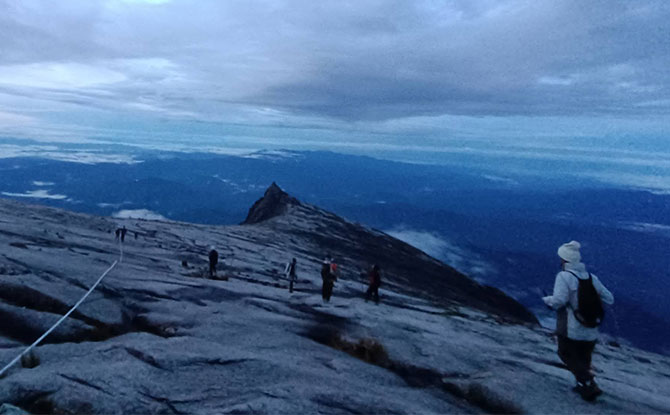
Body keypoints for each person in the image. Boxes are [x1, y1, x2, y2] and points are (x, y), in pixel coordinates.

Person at [542, 241, 614, 401]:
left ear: (565, 260)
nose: (560, 260)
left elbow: (559, 301)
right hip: (591, 329)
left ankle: (588, 384)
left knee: (565, 354)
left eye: (561, 258)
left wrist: (547, 300)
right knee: (583, 359)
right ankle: (585, 386)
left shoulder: (564, 276)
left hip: (571, 328)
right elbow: (610, 298)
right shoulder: (592, 278)